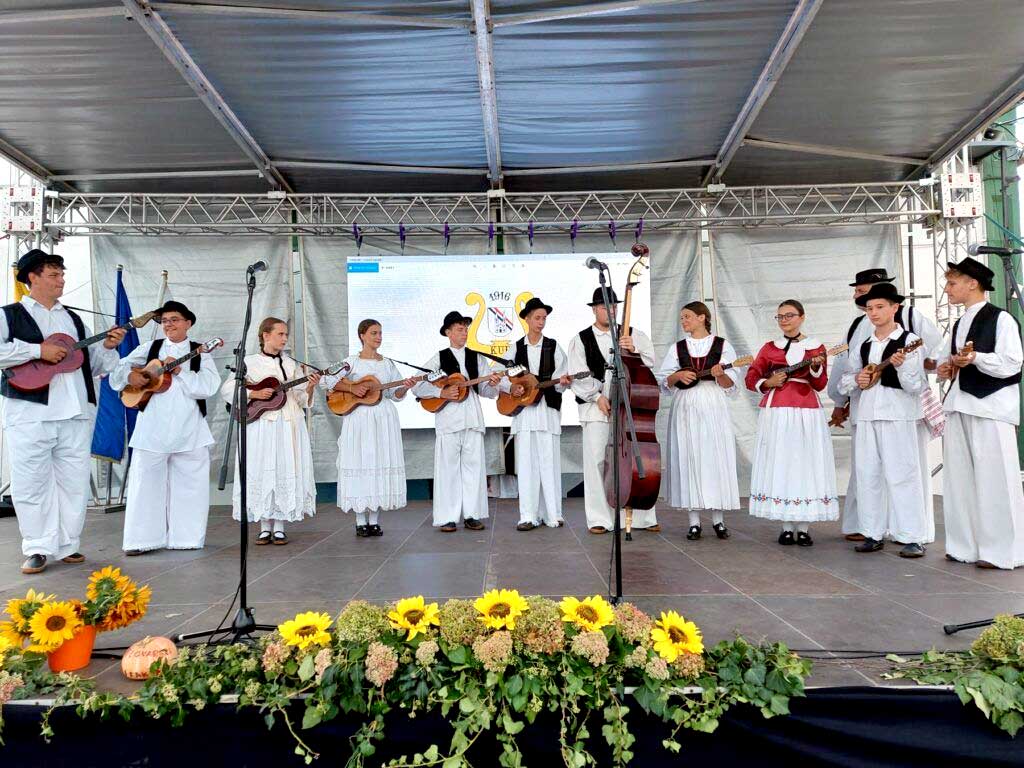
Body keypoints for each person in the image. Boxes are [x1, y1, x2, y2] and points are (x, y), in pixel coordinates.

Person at [0, 249, 125, 574]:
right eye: (54, 274)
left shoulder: (74, 319)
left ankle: (68, 543)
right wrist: (37, 350)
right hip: (29, 412)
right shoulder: (9, 315)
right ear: (32, 277)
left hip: (74, 411)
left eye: (62, 274)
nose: (61, 280)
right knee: (31, 481)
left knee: (74, 482)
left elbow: (92, 365)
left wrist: (107, 347)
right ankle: (38, 546)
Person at [828, 268, 942, 545]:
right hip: (866, 415)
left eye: (879, 307)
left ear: (894, 307)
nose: (874, 312)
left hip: (899, 415)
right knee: (868, 475)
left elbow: (916, 384)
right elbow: (845, 376)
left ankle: (911, 535)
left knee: (904, 474)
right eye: (870, 308)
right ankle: (872, 532)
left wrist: (902, 368)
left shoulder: (908, 341)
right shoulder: (863, 342)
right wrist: (856, 381)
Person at [110, 300, 221, 554]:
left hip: (189, 428)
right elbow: (119, 368)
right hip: (152, 427)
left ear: (188, 323)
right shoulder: (150, 348)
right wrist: (131, 376)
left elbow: (209, 386)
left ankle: (187, 538)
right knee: (144, 484)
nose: (168, 324)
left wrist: (181, 371)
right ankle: (140, 541)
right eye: (165, 321)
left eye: (174, 319)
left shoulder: (200, 352)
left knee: (191, 485)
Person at [937, 257, 1024, 569]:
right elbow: (948, 361)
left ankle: (1003, 551)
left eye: (952, 283)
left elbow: (1012, 363)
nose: (947, 289)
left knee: (996, 479)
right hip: (960, 403)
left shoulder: (1001, 319)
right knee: (959, 479)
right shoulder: (959, 323)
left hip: (991, 406)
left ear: (972, 283)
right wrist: (947, 368)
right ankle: (965, 546)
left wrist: (976, 358)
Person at [745, 299, 837, 545]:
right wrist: (767, 383)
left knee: (806, 463)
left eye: (789, 315)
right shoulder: (769, 348)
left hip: (807, 410)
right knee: (781, 461)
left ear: (802, 317)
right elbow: (752, 376)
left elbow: (820, 384)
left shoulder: (816, 347)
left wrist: (815, 369)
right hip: (776, 410)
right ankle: (786, 526)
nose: (784, 320)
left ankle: (804, 527)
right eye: (780, 316)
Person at [220, 317, 319, 545]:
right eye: (280, 334)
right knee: (262, 469)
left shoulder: (292, 364)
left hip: (289, 423)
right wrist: (254, 393)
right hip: (262, 425)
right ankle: (264, 526)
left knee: (285, 467)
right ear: (266, 335)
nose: (284, 338)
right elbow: (228, 389)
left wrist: (311, 386)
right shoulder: (249, 362)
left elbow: (301, 399)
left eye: (286, 334)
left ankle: (280, 526)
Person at [567, 288, 658, 534]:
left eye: (614, 306)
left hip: (629, 408)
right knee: (598, 461)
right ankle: (600, 519)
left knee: (635, 460)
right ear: (594, 310)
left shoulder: (632, 333)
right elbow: (577, 374)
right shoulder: (581, 339)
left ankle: (641, 517)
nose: (610, 310)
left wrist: (634, 350)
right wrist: (597, 397)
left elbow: (650, 361)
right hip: (596, 409)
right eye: (603, 306)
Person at [656, 302, 740, 541]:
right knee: (689, 457)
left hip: (712, 404)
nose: (683, 321)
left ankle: (718, 520)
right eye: (682, 317)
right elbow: (664, 381)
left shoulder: (722, 345)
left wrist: (721, 374)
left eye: (688, 316)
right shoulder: (678, 347)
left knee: (715, 457)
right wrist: (677, 375)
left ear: (702, 317)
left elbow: (731, 384)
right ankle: (693, 522)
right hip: (685, 405)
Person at [324, 318, 415, 536]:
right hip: (359, 419)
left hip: (383, 418)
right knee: (360, 461)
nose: (378, 337)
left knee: (378, 462)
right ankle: (359, 520)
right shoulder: (350, 362)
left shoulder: (387, 363)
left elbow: (394, 394)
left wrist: (405, 387)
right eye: (374, 333)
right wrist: (352, 388)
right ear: (362, 335)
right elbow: (326, 379)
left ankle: (374, 520)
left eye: (380, 333)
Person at [412, 310, 501, 532]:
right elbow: (418, 386)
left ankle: (472, 514)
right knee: (448, 469)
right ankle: (447, 517)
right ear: (448, 332)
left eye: (466, 329)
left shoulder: (477, 357)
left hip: (472, 418)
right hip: (448, 420)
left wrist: (492, 383)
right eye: (460, 329)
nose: (464, 333)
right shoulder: (438, 358)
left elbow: (487, 391)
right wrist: (441, 393)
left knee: (474, 468)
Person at [500, 297, 572, 531]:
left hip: (547, 412)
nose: (541, 322)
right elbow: (500, 376)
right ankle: (528, 516)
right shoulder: (515, 348)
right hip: (524, 415)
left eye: (544, 318)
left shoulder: (553, 346)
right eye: (537, 318)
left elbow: (562, 377)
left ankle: (553, 514)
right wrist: (512, 388)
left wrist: (562, 383)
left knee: (549, 464)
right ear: (527, 319)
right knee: (527, 466)